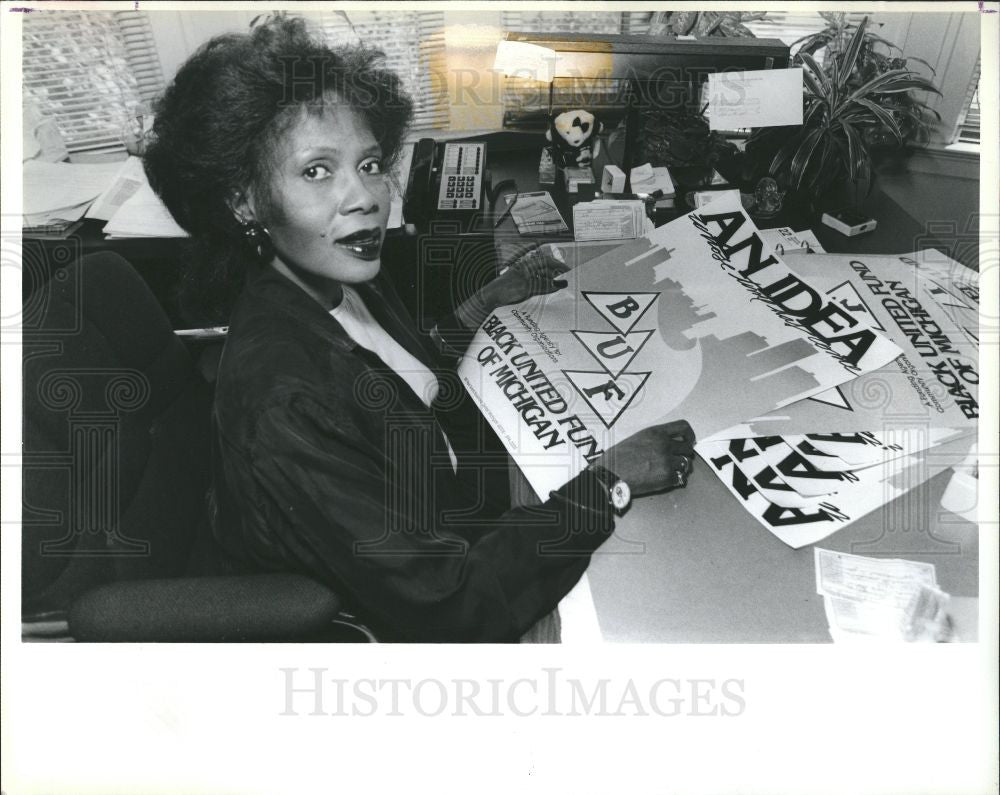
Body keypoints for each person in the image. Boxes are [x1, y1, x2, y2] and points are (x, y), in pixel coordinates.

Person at [144, 16, 696, 642]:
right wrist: (609, 482)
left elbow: (395, 379)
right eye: (316, 172)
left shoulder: (335, 277)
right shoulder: (286, 397)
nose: (366, 198)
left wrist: (488, 299)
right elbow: (451, 606)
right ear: (244, 201)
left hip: (450, 496)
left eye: (371, 163)